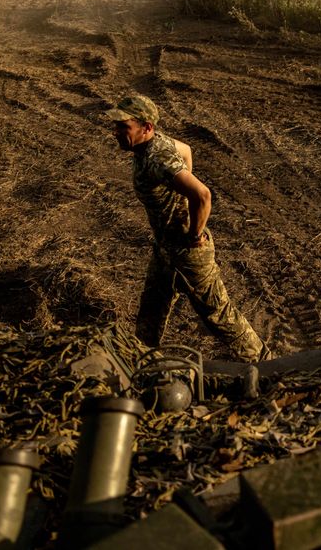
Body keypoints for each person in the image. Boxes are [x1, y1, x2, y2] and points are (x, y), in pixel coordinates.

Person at [107, 94, 267, 362]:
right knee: (152, 308)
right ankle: (141, 360)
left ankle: (264, 362)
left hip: (187, 253)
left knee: (218, 314)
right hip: (164, 250)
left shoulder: (158, 158)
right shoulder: (151, 146)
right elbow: (186, 150)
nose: (116, 132)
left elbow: (203, 195)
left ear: (146, 128)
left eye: (124, 126)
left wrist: (195, 233)